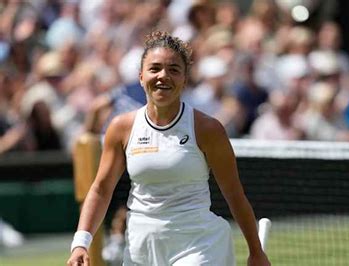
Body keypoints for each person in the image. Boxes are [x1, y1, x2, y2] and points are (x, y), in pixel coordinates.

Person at [67, 30, 271, 266]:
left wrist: (256, 252)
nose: (163, 76)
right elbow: (101, 190)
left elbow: (234, 195)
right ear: (141, 77)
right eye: (155, 68)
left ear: (185, 79)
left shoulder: (207, 129)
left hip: (199, 244)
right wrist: (80, 243)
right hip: (140, 248)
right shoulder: (121, 127)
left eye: (174, 70)